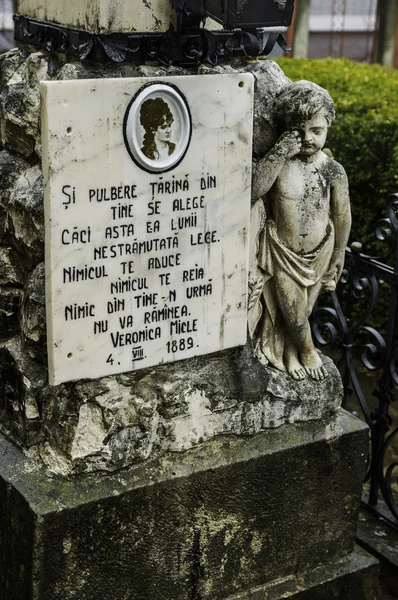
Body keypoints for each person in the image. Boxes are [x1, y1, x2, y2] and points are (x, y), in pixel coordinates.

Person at [249, 80, 351, 382]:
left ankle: (291, 352)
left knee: (300, 314)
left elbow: (341, 215)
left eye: (316, 131)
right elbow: (254, 190)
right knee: (293, 314)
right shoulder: (281, 165)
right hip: (282, 253)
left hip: (319, 253)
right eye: (298, 131)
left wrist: (338, 254)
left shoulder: (333, 170)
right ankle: (307, 351)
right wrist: (280, 152)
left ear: (328, 125)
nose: (307, 139)